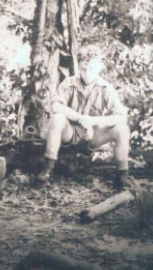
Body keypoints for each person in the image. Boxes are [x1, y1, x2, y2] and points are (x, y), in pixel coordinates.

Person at [37, 45, 131, 191]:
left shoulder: (106, 88)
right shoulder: (69, 83)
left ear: (100, 67)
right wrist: (81, 118)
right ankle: (47, 170)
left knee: (122, 129)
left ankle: (122, 176)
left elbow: (121, 116)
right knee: (57, 118)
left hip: (94, 134)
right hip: (71, 132)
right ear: (79, 66)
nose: (87, 73)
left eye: (92, 69)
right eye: (83, 69)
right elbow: (56, 106)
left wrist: (93, 121)